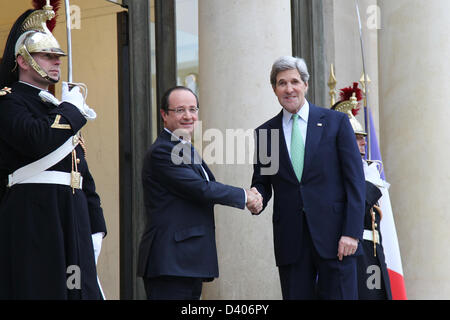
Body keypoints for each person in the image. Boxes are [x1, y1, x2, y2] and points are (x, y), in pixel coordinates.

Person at [0, 3, 106, 299]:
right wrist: (71, 110)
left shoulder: (57, 108)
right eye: (47, 56)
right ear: (23, 60)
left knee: (79, 292)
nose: (56, 62)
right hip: (35, 214)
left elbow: (81, 172)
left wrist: (96, 225)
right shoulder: (9, 102)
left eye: (58, 56)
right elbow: (36, 139)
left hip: (72, 216)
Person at [251, 56, 365, 299]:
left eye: (294, 81)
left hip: (337, 239)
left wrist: (351, 232)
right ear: (274, 89)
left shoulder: (335, 122)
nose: (289, 88)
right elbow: (263, 180)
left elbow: (354, 181)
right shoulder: (266, 133)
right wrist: (256, 196)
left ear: (305, 85)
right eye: (282, 83)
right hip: (291, 241)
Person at [137, 86, 262, 300]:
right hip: (171, 263)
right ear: (164, 115)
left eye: (193, 109)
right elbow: (201, 189)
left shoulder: (185, 148)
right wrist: (245, 196)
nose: (188, 116)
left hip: (187, 262)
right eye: (179, 110)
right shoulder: (162, 151)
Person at [331, 83, 392, 300]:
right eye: (356, 137)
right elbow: (353, 203)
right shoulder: (336, 171)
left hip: (372, 250)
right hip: (351, 252)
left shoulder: (366, 168)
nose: (363, 142)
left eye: (362, 136)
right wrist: (368, 185)